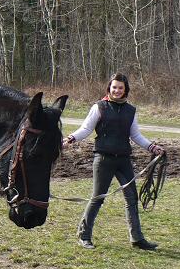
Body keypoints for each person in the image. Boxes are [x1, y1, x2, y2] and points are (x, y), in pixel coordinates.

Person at [63, 73, 165, 250]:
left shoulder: (130, 110)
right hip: (103, 159)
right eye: (114, 87)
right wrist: (71, 138)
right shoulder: (99, 107)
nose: (117, 90)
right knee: (98, 198)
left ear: (125, 90)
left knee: (132, 199)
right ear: (109, 88)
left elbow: (135, 135)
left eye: (120, 88)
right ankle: (84, 235)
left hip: (123, 159)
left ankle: (137, 238)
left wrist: (152, 147)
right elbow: (86, 128)